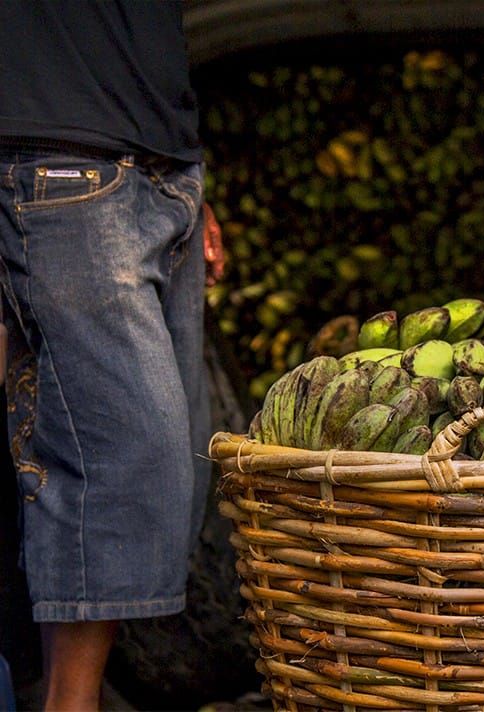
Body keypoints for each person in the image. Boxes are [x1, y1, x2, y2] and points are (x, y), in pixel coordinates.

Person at [0, 2, 223, 709]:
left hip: (162, 163)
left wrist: (187, 171)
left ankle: (64, 694)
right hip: (53, 156)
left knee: (174, 467)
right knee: (128, 459)